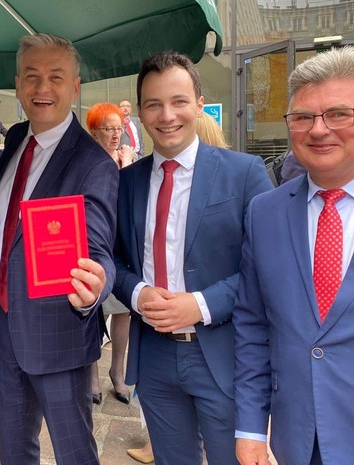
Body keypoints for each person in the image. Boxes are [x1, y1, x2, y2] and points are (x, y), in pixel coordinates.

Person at [234, 46, 354, 465]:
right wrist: (250, 429)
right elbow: (254, 326)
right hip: (296, 444)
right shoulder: (265, 213)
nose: (319, 130)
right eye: (302, 117)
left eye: (339, 114)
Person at [112, 51, 272, 465]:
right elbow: (114, 258)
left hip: (222, 354)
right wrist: (138, 292)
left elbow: (267, 268)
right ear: (140, 112)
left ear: (199, 105)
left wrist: (200, 304)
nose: (167, 115)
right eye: (154, 104)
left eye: (179, 101)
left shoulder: (244, 173)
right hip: (154, 355)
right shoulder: (126, 182)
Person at [0, 33, 118, 465]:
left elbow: (98, 249)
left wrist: (94, 288)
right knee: (14, 451)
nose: (43, 88)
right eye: (32, 76)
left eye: (56, 77)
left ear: (75, 87)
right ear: (17, 84)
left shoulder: (93, 163)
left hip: (59, 333)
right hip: (5, 326)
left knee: (74, 453)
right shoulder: (15, 139)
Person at [85, 102, 134, 405]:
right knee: (94, 310)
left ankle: (118, 371)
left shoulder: (125, 160)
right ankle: (92, 374)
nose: (116, 135)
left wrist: (126, 163)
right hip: (95, 244)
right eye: (109, 129)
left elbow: (131, 199)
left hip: (122, 244)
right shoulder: (86, 163)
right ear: (94, 132)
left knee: (123, 309)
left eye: (119, 128)